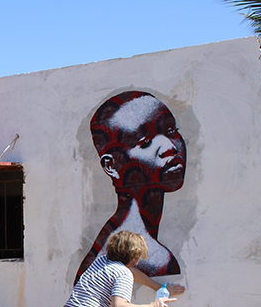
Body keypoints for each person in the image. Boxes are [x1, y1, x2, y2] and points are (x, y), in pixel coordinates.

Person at [77, 91, 187, 281]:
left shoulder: (117, 241)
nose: (169, 147)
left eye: (170, 131)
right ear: (112, 166)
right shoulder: (155, 257)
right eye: (145, 142)